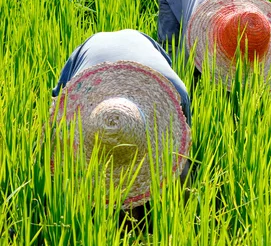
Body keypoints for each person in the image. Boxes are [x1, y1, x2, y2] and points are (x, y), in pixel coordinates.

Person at [50, 29, 192, 213]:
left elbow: (183, 148)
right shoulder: (80, 87)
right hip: (93, 48)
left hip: (136, 43)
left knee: (179, 170)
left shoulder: (174, 93)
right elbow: (57, 108)